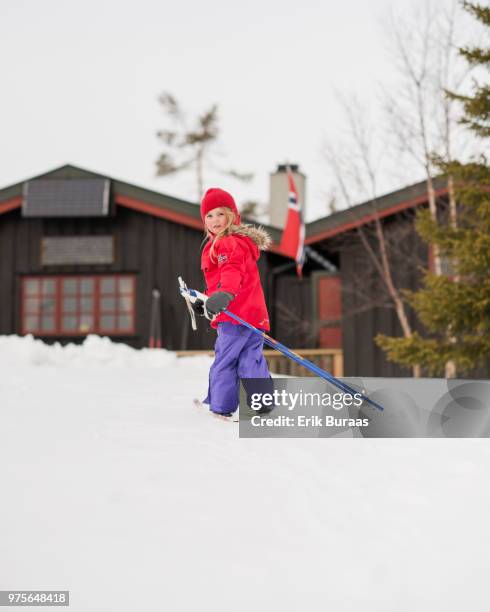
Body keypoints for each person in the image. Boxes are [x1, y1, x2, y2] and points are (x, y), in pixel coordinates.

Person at [194, 187, 272, 417]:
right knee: (251, 360)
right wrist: (207, 301)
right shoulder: (239, 242)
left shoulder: (226, 243)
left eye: (221, 213)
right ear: (204, 220)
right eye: (209, 215)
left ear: (232, 215)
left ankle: (221, 407)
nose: (215, 220)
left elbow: (231, 272)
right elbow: (223, 280)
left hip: (235, 315)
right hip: (254, 314)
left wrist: (225, 295)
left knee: (226, 360)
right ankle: (263, 404)